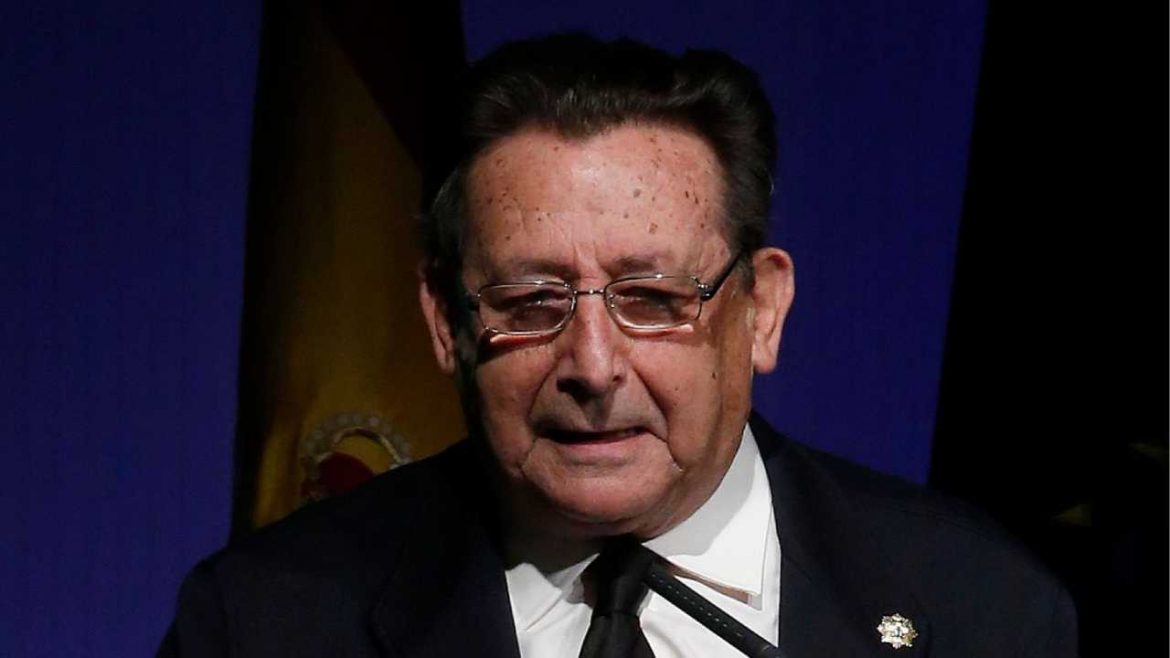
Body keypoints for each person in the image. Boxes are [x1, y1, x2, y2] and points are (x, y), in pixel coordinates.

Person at [159, 34, 1076, 657]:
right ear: (446, 321)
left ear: (761, 310)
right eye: (531, 301)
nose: (594, 367)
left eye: (653, 298)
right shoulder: (266, 624)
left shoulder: (981, 608)